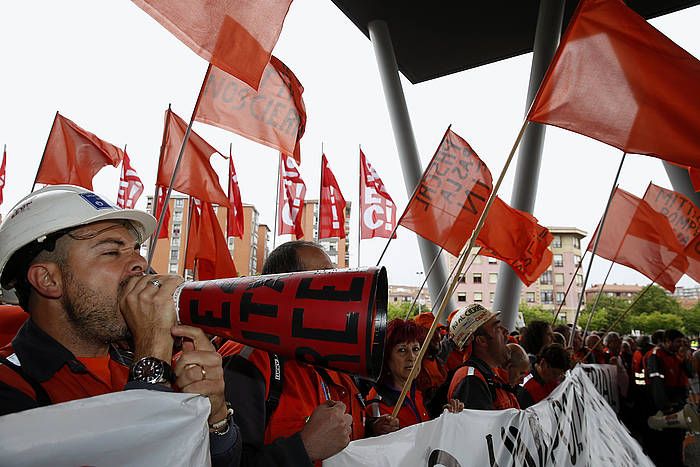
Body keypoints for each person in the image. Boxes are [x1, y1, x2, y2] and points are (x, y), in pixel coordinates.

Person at [0, 185, 240, 466]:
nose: (140, 263)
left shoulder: (138, 365)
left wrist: (216, 421)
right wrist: (151, 367)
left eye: (135, 250)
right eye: (112, 252)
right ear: (48, 280)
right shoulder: (10, 386)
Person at [218, 241, 361, 466]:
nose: (338, 288)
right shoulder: (248, 361)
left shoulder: (325, 359)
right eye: (324, 278)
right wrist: (304, 448)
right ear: (284, 288)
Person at [365, 318, 463, 436]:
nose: (411, 357)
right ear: (386, 358)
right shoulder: (378, 404)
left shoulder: (420, 392)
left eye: (416, 349)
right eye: (402, 350)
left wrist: (446, 416)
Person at [447, 304, 518, 410]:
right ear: (482, 341)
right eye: (497, 328)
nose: (506, 332)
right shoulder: (471, 381)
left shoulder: (488, 375)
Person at [645, 329, 693, 467]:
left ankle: (677, 461)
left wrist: (684, 359)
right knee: (668, 439)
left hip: (678, 401)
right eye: (678, 342)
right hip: (667, 404)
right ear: (667, 341)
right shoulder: (656, 356)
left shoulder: (676, 355)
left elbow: (689, 373)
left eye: (683, 342)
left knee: (678, 437)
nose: (681, 345)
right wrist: (665, 407)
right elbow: (656, 383)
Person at [517, 344, 570, 409]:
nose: (556, 378)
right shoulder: (525, 387)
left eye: (560, 375)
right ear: (543, 363)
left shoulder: (555, 381)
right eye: (554, 373)